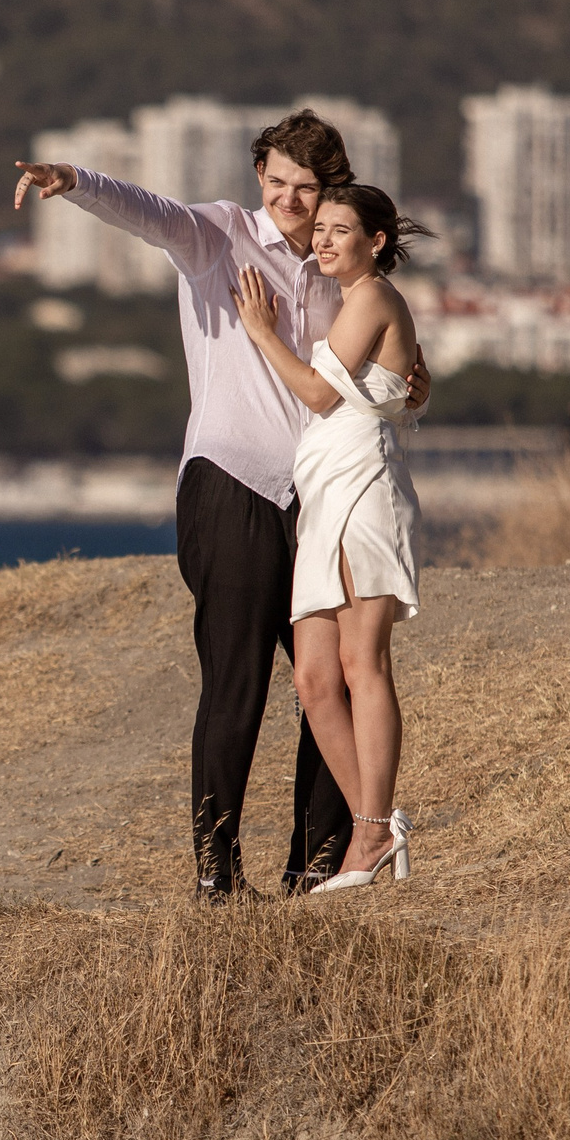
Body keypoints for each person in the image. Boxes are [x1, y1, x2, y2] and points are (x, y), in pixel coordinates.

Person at [13, 113, 427, 899]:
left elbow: (383, 366)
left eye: (306, 187)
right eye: (275, 181)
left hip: (320, 496)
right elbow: (150, 211)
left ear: (332, 189)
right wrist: (74, 180)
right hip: (231, 481)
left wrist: (414, 380)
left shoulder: (342, 270)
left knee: (329, 682)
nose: (288, 199)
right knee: (236, 681)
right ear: (258, 177)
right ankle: (218, 875)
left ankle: (319, 864)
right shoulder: (219, 235)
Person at [233, 184, 430, 891]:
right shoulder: (354, 303)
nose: (321, 239)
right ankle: (373, 828)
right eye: (319, 229)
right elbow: (406, 386)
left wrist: (261, 330)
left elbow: (320, 393)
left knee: (361, 662)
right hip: (323, 494)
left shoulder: (373, 295)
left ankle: (370, 836)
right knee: (314, 680)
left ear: (374, 241)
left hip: (362, 489)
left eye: (339, 229)